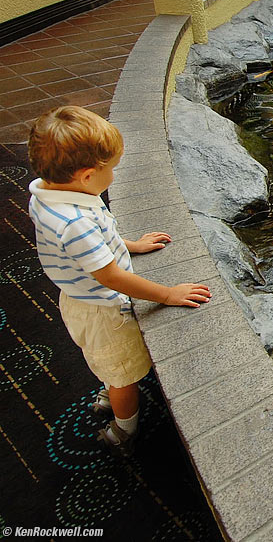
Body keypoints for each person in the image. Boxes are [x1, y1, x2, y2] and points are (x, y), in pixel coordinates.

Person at [27, 105, 211, 455]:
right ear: (84, 175)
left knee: (109, 359)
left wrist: (132, 245)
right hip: (103, 310)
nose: (113, 174)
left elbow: (99, 239)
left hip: (84, 296)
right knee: (124, 373)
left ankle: (109, 380)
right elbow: (110, 275)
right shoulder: (73, 222)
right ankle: (124, 425)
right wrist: (168, 294)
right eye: (110, 169)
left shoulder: (49, 193)